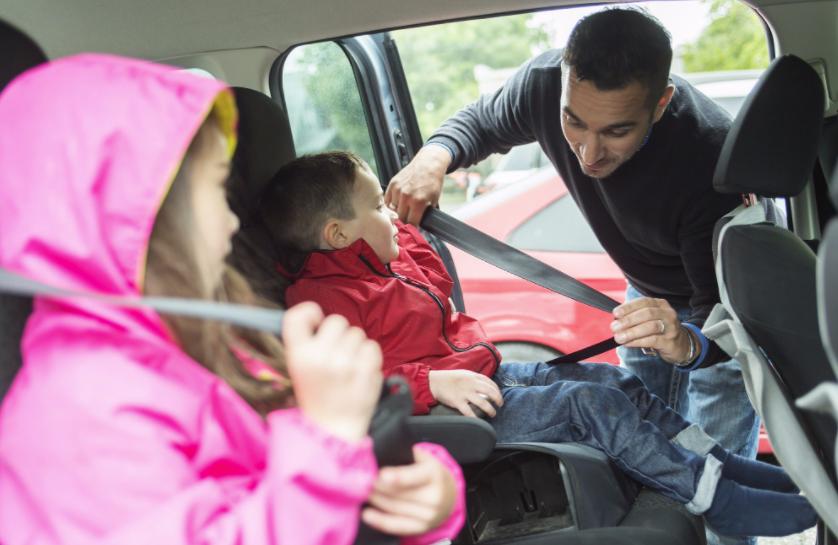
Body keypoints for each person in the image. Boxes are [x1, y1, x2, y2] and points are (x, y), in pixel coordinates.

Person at [0, 54, 465, 545]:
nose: (231, 220)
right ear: (140, 216)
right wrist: (328, 445)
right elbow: (307, 474)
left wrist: (426, 492)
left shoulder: (210, 345)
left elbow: (301, 473)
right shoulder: (80, 416)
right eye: (218, 190)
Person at [248, 150, 816, 540]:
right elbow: (335, 384)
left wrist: (401, 229)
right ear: (338, 234)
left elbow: (431, 282)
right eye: (375, 205)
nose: (388, 214)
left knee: (618, 381)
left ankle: (721, 464)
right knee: (588, 406)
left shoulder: (385, 262)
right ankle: (714, 497)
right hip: (451, 408)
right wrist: (429, 383)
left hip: (489, 375)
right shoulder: (320, 301)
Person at [385, 9, 761, 543]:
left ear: (661, 103)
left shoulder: (709, 158)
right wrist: (434, 155)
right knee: (642, 467)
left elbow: (721, 322)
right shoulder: (544, 85)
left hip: (713, 314)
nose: (587, 152)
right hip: (640, 298)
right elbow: (479, 123)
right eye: (573, 122)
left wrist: (690, 345)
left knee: (715, 495)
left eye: (616, 131)